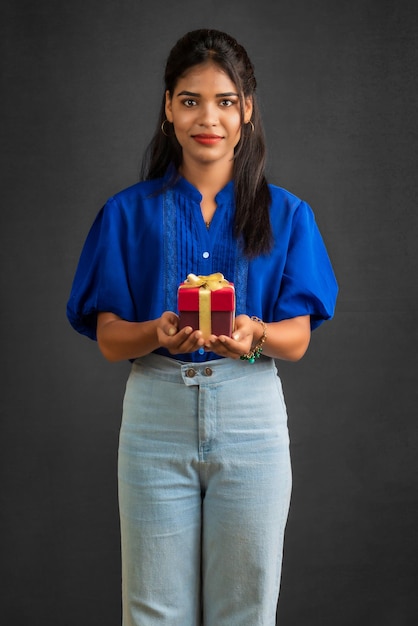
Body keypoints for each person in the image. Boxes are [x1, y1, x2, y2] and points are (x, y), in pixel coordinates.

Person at [67, 28, 338, 626]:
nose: (207, 117)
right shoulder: (126, 213)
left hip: (251, 413)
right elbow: (110, 338)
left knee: (246, 609)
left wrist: (256, 334)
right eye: (189, 100)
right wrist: (157, 333)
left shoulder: (287, 213)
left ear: (246, 111)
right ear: (168, 109)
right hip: (155, 415)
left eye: (224, 101)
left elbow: (297, 339)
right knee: (153, 611)